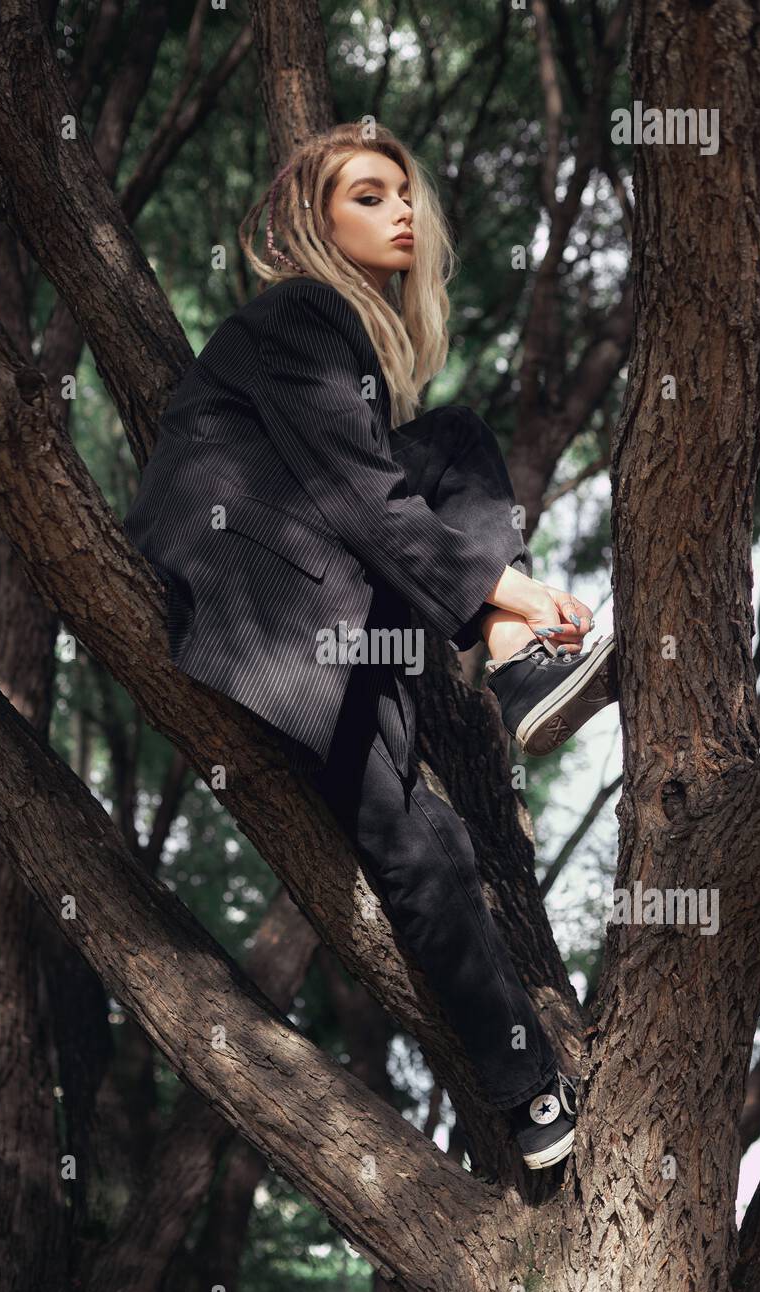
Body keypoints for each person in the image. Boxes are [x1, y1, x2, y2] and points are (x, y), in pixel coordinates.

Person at [122, 122, 618, 1170]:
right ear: (314, 220)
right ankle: (527, 1088)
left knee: (454, 441)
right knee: (423, 843)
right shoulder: (300, 315)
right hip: (268, 596)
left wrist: (486, 595)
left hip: (314, 590)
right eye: (366, 194)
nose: (400, 209)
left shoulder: (344, 349)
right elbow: (362, 496)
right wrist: (503, 579)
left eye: (404, 192)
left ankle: (516, 660)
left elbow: (378, 485)